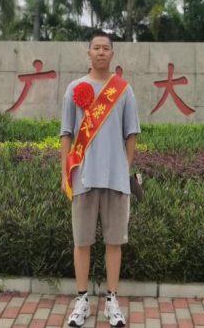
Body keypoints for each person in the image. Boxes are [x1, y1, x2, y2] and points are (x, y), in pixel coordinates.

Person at [60, 30, 141, 327]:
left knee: (114, 242)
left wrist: (123, 166)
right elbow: (66, 133)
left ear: (112, 54)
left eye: (106, 48)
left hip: (115, 180)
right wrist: (64, 173)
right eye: (96, 47)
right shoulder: (75, 88)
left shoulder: (123, 90)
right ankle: (82, 300)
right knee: (81, 242)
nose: (101, 52)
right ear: (89, 53)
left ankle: (111, 301)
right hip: (82, 177)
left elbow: (131, 133)